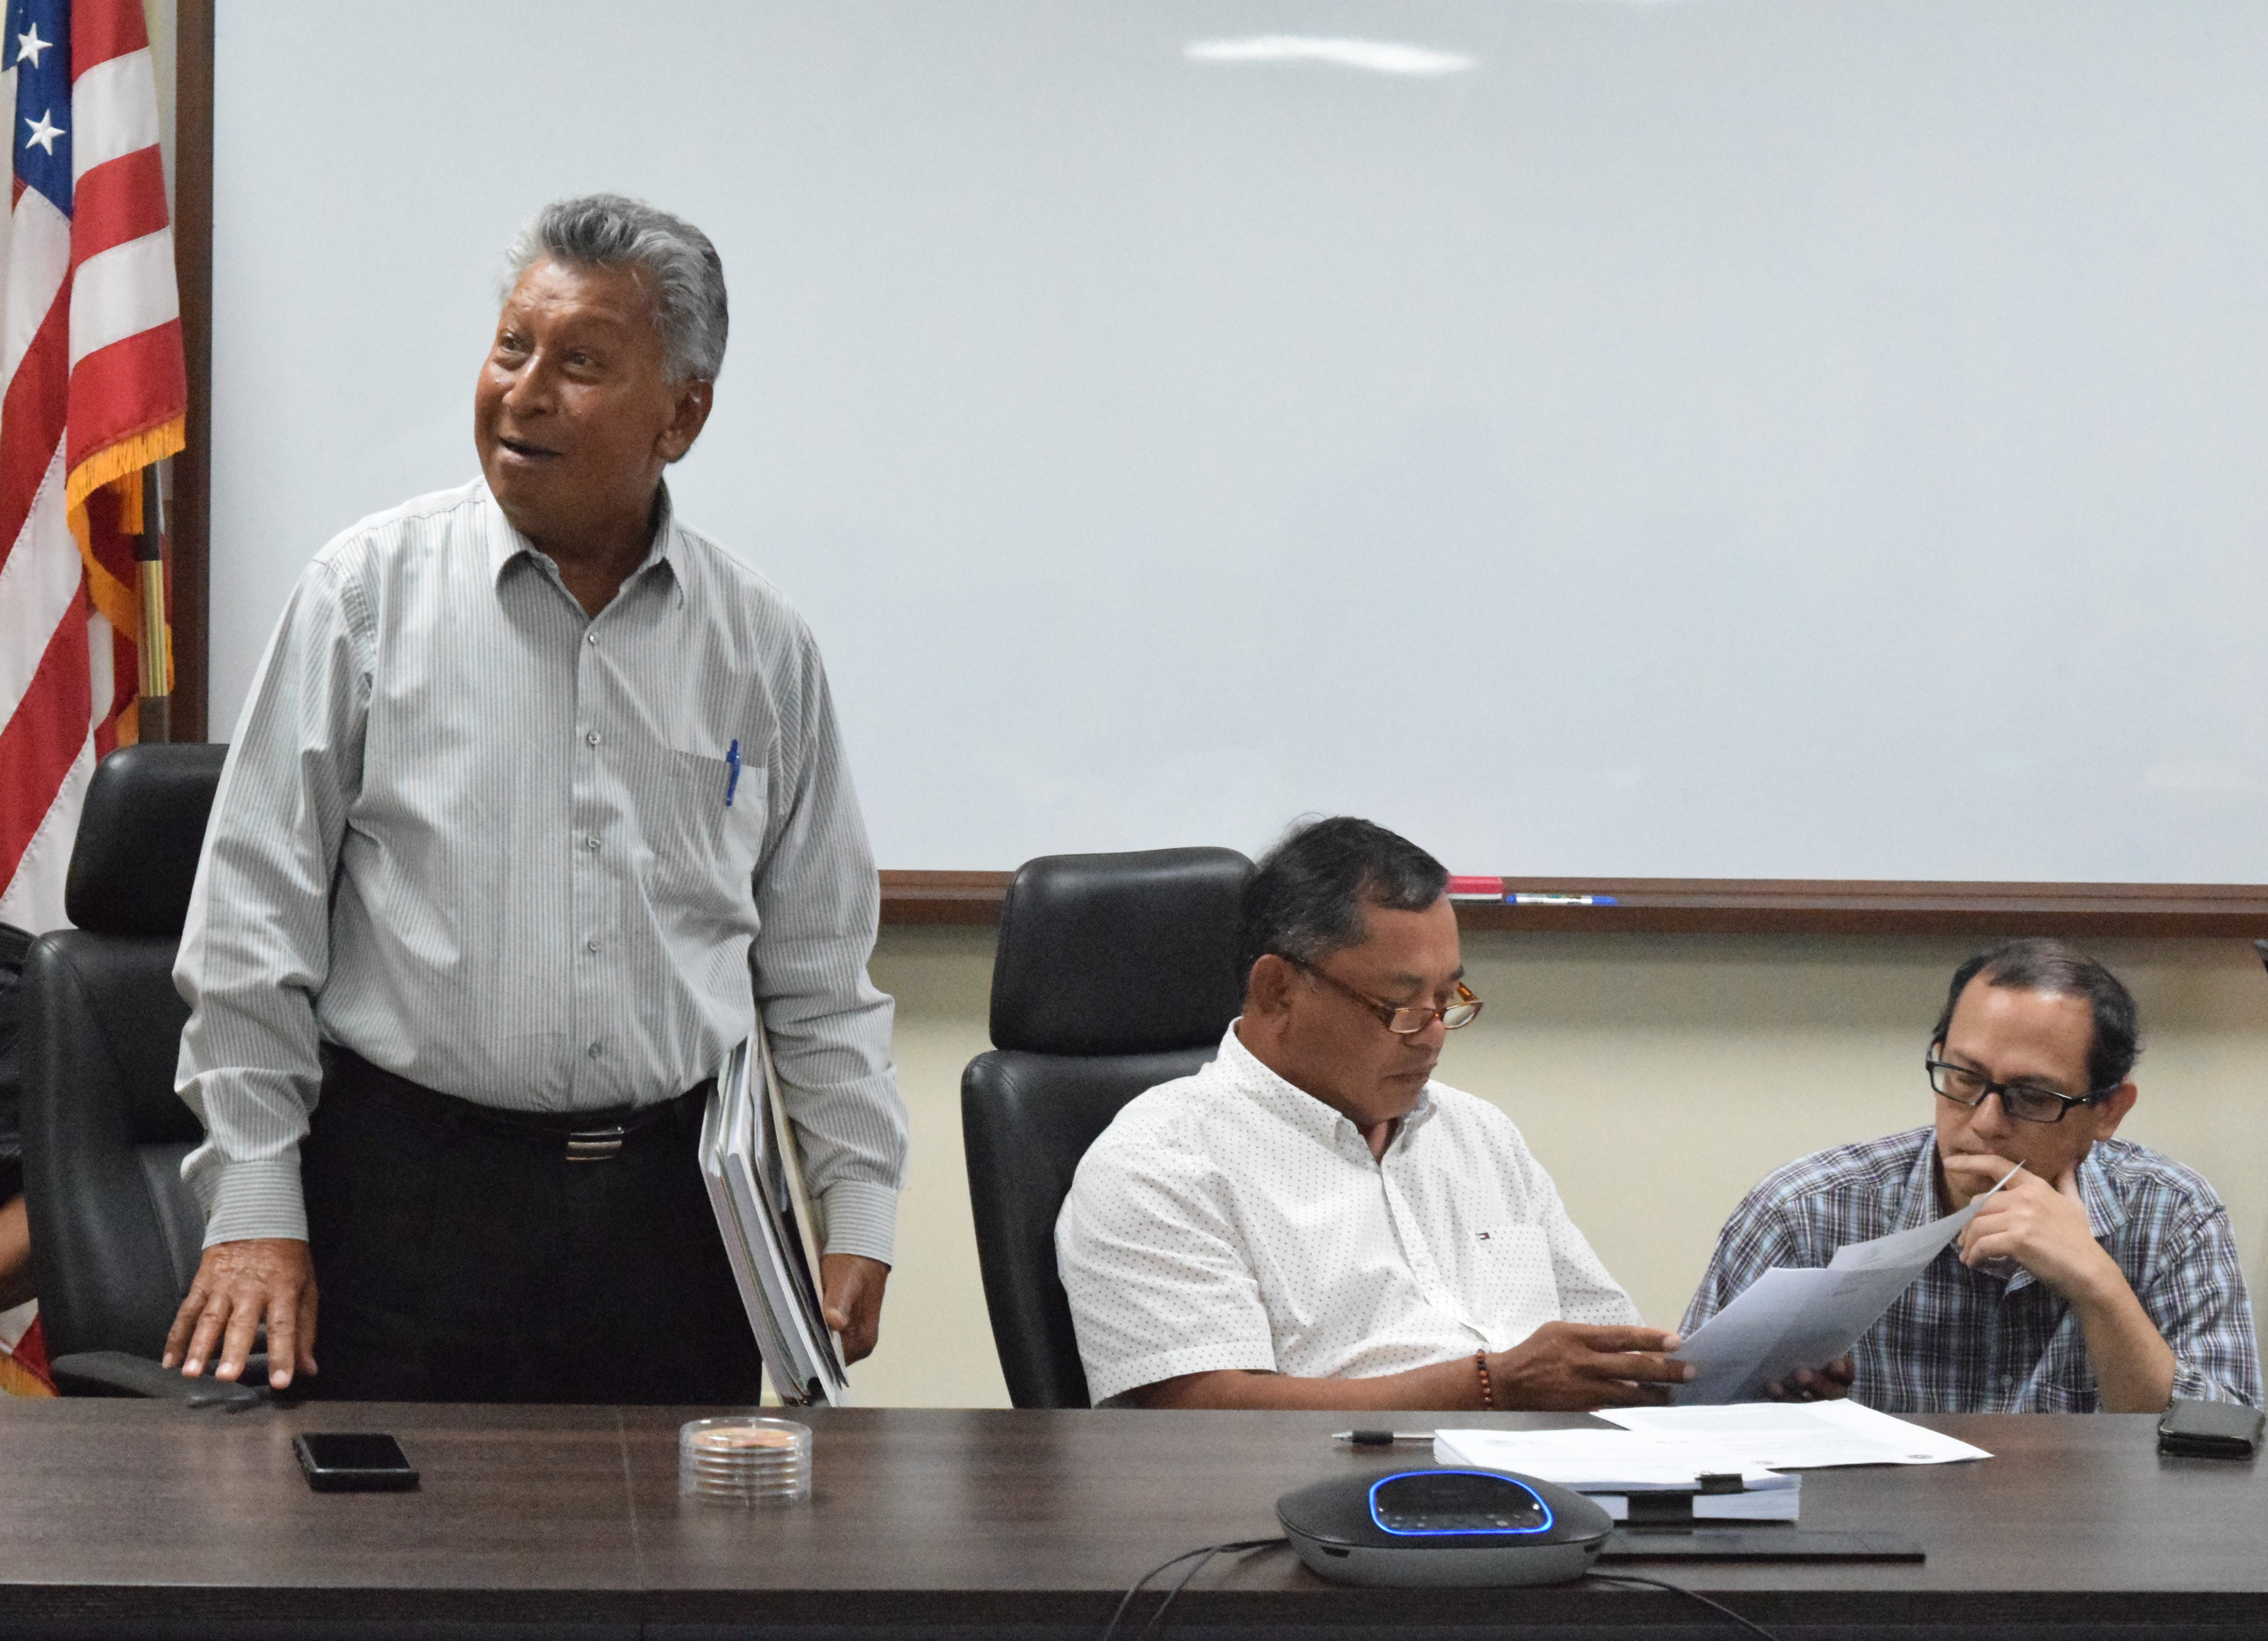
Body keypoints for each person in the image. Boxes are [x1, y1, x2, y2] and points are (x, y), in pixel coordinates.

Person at [163, 195, 909, 1402]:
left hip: (677, 1219)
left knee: (682, 1527)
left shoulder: (761, 648)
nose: (523, 392)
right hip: (408, 1199)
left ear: (682, 415)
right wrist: (253, 1207)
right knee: (388, 1526)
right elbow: (251, 925)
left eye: (581, 363)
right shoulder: (364, 597)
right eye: (513, 346)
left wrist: (857, 1204)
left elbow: (819, 968)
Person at [1055, 816, 1692, 1411]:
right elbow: (1202, 1415)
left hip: (1559, 1475)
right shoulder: (1160, 1162)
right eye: (1401, 1005)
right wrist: (1487, 1388)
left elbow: (1603, 1344)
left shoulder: (1480, 1134)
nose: (1434, 1034)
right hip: (1337, 1487)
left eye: (1449, 997)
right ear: (1278, 990)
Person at [1684, 938, 2260, 1414]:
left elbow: (2225, 1451)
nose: (1984, 1123)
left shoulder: (2171, 1213)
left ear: (2108, 1111)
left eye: (2031, 1096)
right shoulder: (1806, 1212)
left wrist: (2098, 1285)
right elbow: (1680, 1428)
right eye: (1963, 1077)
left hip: (2092, 1525)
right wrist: (1781, 1412)